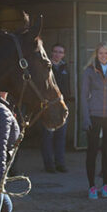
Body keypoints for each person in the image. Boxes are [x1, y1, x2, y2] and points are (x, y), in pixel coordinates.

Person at [80, 42, 107, 199]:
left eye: (106, 53)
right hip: (94, 116)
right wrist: (86, 118)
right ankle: (92, 186)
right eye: (101, 53)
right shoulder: (89, 71)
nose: (103, 56)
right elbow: (84, 97)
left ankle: (106, 185)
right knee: (91, 152)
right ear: (96, 55)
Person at [41, 43, 72, 173]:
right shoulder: (46, 67)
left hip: (61, 107)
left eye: (60, 52)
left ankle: (60, 163)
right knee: (47, 137)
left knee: (61, 136)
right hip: (48, 107)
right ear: (51, 53)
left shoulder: (65, 68)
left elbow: (67, 87)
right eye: (55, 51)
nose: (57, 54)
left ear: (63, 54)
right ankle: (49, 165)